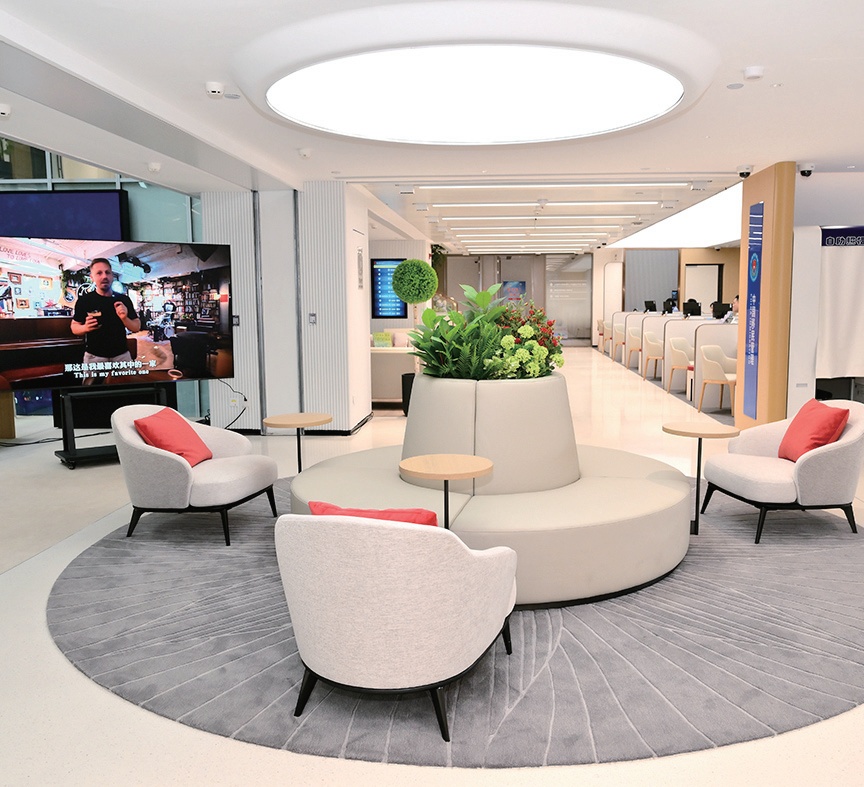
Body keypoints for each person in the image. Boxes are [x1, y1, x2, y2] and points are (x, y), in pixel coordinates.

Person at [71, 258, 140, 382]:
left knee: (129, 388)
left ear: (112, 276)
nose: (104, 276)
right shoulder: (84, 301)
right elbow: (74, 327)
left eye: (107, 272)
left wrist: (124, 318)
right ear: (92, 277)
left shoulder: (124, 299)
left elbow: (136, 327)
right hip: (94, 357)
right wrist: (85, 328)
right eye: (99, 273)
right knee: (91, 391)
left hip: (122, 356)